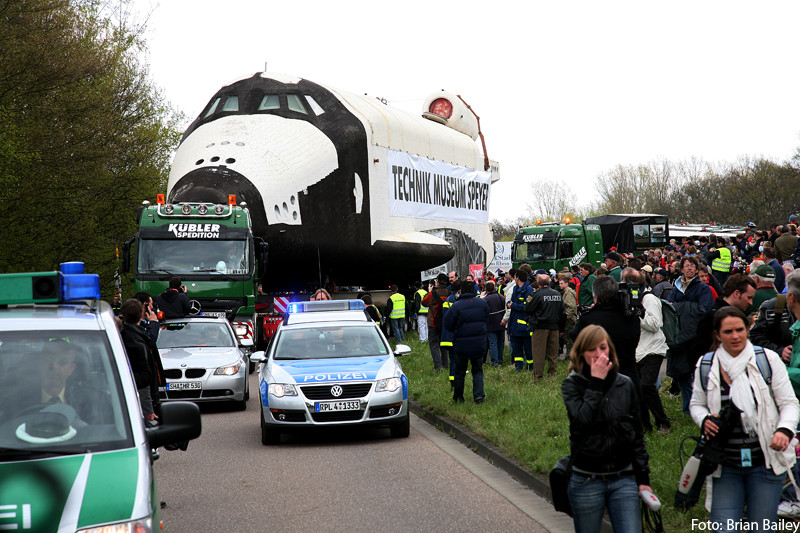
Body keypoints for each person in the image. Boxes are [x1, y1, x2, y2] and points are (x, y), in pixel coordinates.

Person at [689, 306, 800, 531]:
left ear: (748, 329)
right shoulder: (707, 364)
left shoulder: (767, 360)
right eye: (728, 332)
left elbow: (789, 402)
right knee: (725, 528)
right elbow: (696, 404)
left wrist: (784, 430)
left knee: (760, 527)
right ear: (717, 335)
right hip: (724, 464)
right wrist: (703, 420)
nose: (735, 336)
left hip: (764, 462)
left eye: (739, 329)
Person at [562, 325, 652, 533]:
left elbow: (636, 435)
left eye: (603, 348)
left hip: (623, 477)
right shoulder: (572, 385)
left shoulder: (625, 384)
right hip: (587, 478)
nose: (599, 354)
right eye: (592, 349)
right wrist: (596, 383)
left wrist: (643, 479)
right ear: (581, 353)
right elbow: (582, 422)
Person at [573, 274, 641, 395]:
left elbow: (575, 339)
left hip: (600, 379)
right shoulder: (631, 318)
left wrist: (594, 310)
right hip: (629, 377)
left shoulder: (589, 319)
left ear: (596, 296)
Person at [668, 255, 714, 414]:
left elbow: (704, 310)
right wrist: (688, 308)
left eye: (692, 266)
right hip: (679, 336)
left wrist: (680, 308)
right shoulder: (676, 288)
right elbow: (668, 308)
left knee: (698, 373)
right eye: (686, 266)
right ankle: (688, 407)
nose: (689, 268)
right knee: (683, 374)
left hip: (696, 337)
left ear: (696, 269)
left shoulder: (703, 288)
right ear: (681, 269)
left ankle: (703, 405)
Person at [627, 268, 671, 434]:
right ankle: (645, 426)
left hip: (653, 349)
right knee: (638, 389)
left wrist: (637, 314)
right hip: (638, 349)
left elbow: (655, 324)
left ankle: (663, 423)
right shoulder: (629, 299)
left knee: (647, 386)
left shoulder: (649, 299)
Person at [444, 281, 489, 403]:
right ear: (474, 291)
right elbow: (486, 318)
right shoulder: (482, 304)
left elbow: (447, 324)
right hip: (479, 343)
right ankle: (479, 397)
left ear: (461, 291)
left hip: (461, 344)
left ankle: (458, 397)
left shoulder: (456, 306)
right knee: (478, 370)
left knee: (459, 372)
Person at [119, 298, 157, 423]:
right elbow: (143, 379)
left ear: (123, 315)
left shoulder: (119, 335)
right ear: (141, 315)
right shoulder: (137, 342)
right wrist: (148, 410)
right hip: (138, 402)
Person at [525, 273, 565, 380]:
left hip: (540, 327)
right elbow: (563, 313)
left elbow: (527, 309)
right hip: (555, 327)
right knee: (553, 354)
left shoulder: (536, 294)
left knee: (539, 353)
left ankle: (537, 376)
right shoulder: (557, 294)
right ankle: (552, 375)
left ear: (538, 283)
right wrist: (561, 328)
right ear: (549, 282)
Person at [421, 273, 451, 372]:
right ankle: (446, 365)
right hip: (446, 323)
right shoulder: (449, 293)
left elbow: (424, 302)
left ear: (437, 281)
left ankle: (438, 367)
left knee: (434, 345)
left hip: (433, 322)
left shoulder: (433, 294)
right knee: (444, 344)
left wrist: (430, 291)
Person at [506, 270, 534, 371]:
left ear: (517, 278)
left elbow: (527, 306)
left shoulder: (528, 289)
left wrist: (513, 305)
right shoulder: (515, 288)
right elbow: (510, 302)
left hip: (524, 326)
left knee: (528, 349)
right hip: (514, 326)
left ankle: (531, 368)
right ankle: (518, 367)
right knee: (516, 349)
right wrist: (510, 304)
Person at [483, 280, 506, 367]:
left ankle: (495, 362)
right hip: (501, 323)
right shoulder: (501, 297)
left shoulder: (485, 300)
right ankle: (500, 360)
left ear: (486, 290)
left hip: (490, 325)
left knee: (493, 343)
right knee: (500, 343)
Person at [557, 273, 578, 358]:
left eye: (561, 283)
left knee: (569, 338)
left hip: (569, 319)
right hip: (568, 317)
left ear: (566, 283)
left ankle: (570, 355)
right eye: (559, 283)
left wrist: (566, 316)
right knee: (567, 338)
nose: (560, 285)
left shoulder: (568, 292)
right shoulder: (565, 292)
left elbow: (571, 306)